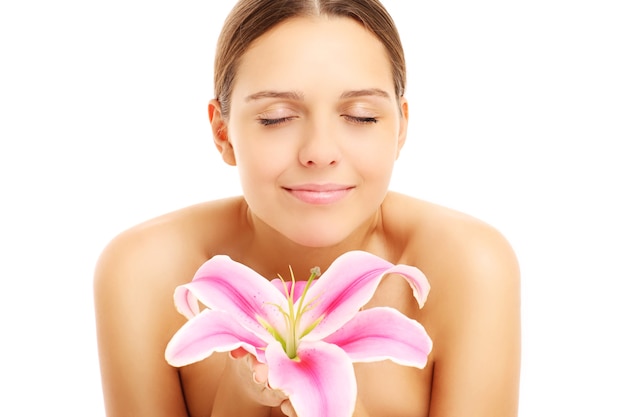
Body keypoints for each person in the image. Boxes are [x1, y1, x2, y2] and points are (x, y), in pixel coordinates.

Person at [93, 0, 521, 416]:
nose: (319, 152)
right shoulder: (144, 271)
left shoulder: (470, 266)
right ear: (222, 133)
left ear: (401, 127)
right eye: (276, 117)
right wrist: (241, 397)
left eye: (361, 115)